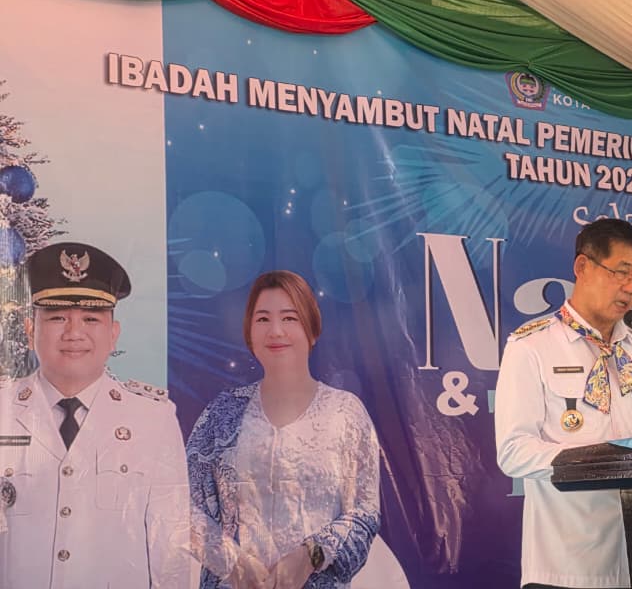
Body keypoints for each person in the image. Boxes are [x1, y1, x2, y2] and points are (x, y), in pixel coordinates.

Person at [494, 218, 632, 589]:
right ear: (582, 267)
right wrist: (596, 462)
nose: (630, 288)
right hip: (567, 566)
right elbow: (513, 451)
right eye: (620, 272)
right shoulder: (532, 347)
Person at [0, 242, 191, 588]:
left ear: (113, 334)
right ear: (30, 331)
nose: (74, 333)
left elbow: (172, 550)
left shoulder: (153, 420)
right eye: (57, 317)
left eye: (91, 318)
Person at [186, 270, 380, 589]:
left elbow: (365, 512)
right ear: (249, 332)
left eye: (289, 318)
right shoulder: (222, 413)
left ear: (312, 330)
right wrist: (232, 562)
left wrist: (311, 555)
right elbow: (184, 506)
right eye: (263, 319)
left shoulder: (345, 413)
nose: (276, 331)